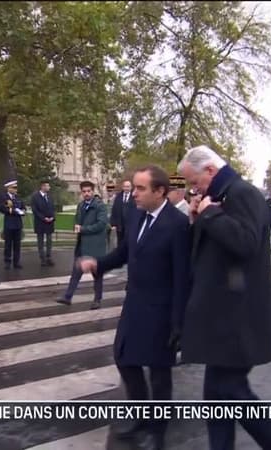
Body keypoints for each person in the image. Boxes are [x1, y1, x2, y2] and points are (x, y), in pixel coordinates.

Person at [177, 145, 271, 450]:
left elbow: (246, 243)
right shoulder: (219, 196)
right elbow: (208, 252)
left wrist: (210, 214)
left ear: (210, 170)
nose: (194, 189)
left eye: (195, 182)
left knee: (231, 391)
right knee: (216, 396)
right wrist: (198, 219)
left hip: (239, 316)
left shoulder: (242, 193)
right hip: (222, 315)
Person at [78, 165, 190, 448]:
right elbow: (124, 252)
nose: (134, 193)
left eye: (141, 189)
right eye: (135, 188)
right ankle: (140, 415)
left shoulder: (177, 225)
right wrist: (98, 264)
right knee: (124, 358)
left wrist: (179, 324)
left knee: (159, 372)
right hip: (136, 303)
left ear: (160, 191)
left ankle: (158, 431)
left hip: (162, 310)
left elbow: (182, 277)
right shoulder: (136, 215)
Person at [57, 181, 108, 309]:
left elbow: (101, 224)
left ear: (93, 191)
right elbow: (77, 220)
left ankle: (97, 299)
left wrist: (83, 229)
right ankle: (68, 297)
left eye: (88, 191)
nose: (86, 194)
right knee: (76, 272)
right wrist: (76, 225)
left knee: (97, 274)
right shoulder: (81, 205)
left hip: (96, 246)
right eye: (84, 192)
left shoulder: (100, 206)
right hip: (82, 245)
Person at [30, 180, 56, 267]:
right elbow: (35, 210)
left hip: (49, 222)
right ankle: (42, 259)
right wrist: (43, 218)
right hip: (40, 222)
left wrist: (52, 217)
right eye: (47, 186)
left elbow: (53, 208)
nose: (49, 188)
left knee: (49, 241)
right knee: (40, 241)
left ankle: (49, 257)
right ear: (43, 186)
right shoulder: (35, 197)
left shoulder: (50, 196)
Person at [2, 180, 25, 270]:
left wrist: (23, 211)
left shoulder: (18, 197)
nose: (16, 189)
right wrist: (16, 211)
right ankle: (7, 261)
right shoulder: (5, 197)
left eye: (16, 188)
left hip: (18, 224)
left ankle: (16, 262)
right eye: (14, 188)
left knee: (17, 244)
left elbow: (23, 207)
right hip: (9, 224)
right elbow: (6, 209)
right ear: (9, 188)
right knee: (8, 244)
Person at [109, 180, 135, 247]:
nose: (126, 188)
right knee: (120, 243)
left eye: (128, 186)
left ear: (131, 187)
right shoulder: (118, 197)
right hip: (120, 225)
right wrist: (113, 224)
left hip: (130, 225)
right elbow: (114, 210)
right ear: (123, 187)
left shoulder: (134, 197)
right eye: (125, 186)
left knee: (129, 242)